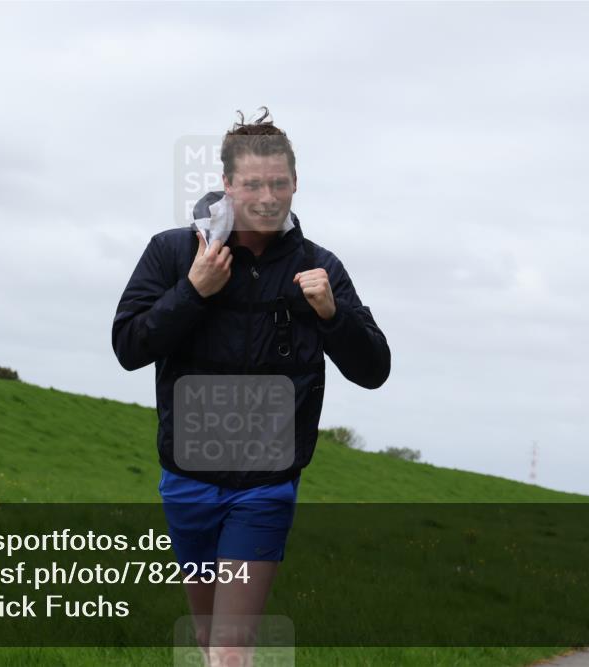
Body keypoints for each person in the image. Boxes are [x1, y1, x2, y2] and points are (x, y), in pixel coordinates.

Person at [111, 107, 390, 666]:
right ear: (227, 183)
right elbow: (129, 347)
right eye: (253, 184)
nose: (268, 197)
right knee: (208, 640)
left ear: (296, 183)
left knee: (230, 648)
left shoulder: (319, 268)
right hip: (187, 477)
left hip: (265, 485)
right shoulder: (174, 253)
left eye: (279, 183)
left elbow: (373, 369)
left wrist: (333, 315)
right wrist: (192, 291)